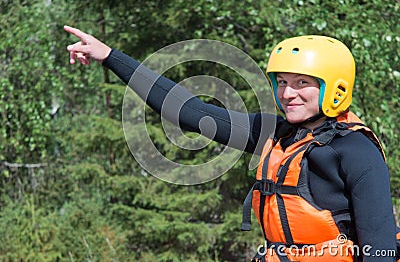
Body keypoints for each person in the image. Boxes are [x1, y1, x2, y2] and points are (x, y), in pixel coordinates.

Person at [64, 25, 399, 261]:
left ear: (335, 87)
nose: (287, 93)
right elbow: (188, 111)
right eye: (281, 82)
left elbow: (380, 248)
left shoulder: (356, 150)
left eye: (302, 83)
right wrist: (109, 56)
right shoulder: (272, 133)